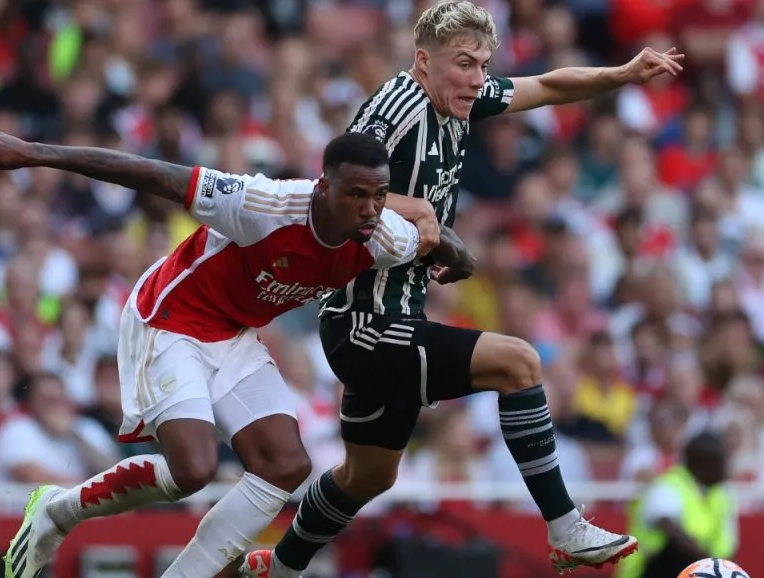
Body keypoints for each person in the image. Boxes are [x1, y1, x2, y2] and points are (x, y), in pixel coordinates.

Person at [240, 1, 686, 576]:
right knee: (519, 363)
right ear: (424, 61)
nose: (477, 79)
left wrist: (621, 74)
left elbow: (548, 85)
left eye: (483, 65)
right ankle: (565, 526)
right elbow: (331, 187)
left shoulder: (462, 99)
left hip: (397, 316)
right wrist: (422, 212)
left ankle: (280, 567)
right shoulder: (395, 107)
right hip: (364, 324)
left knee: (368, 476)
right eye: (464, 64)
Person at [0, 118, 474, 578]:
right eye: (356, 194)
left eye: (379, 196)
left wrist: (462, 261)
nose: (369, 209)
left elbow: (437, 240)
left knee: (285, 465)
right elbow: (151, 173)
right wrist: (36, 154)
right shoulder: (261, 204)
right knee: (192, 470)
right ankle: (55, 512)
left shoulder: (384, 237)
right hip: (170, 318)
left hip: (233, 333)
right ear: (322, 188)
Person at [615, 432, 737, 578]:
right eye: (721, 462)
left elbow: (725, 545)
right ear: (701, 464)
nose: (726, 469)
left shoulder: (721, 495)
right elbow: (668, 527)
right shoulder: (667, 486)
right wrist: (708, 564)